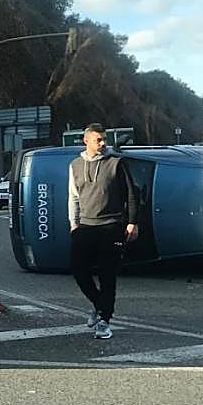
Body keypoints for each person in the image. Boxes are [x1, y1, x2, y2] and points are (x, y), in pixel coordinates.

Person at [68, 123, 139, 339]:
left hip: (112, 225)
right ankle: (99, 305)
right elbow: (73, 197)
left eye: (104, 140)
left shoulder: (116, 163)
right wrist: (74, 223)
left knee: (108, 275)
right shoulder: (75, 165)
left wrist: (132, 222)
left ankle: (104, 321)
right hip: (85, 226)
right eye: (98, 139)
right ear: (86, 140)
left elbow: (130, 194)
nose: (102, 143)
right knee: (79, 270)